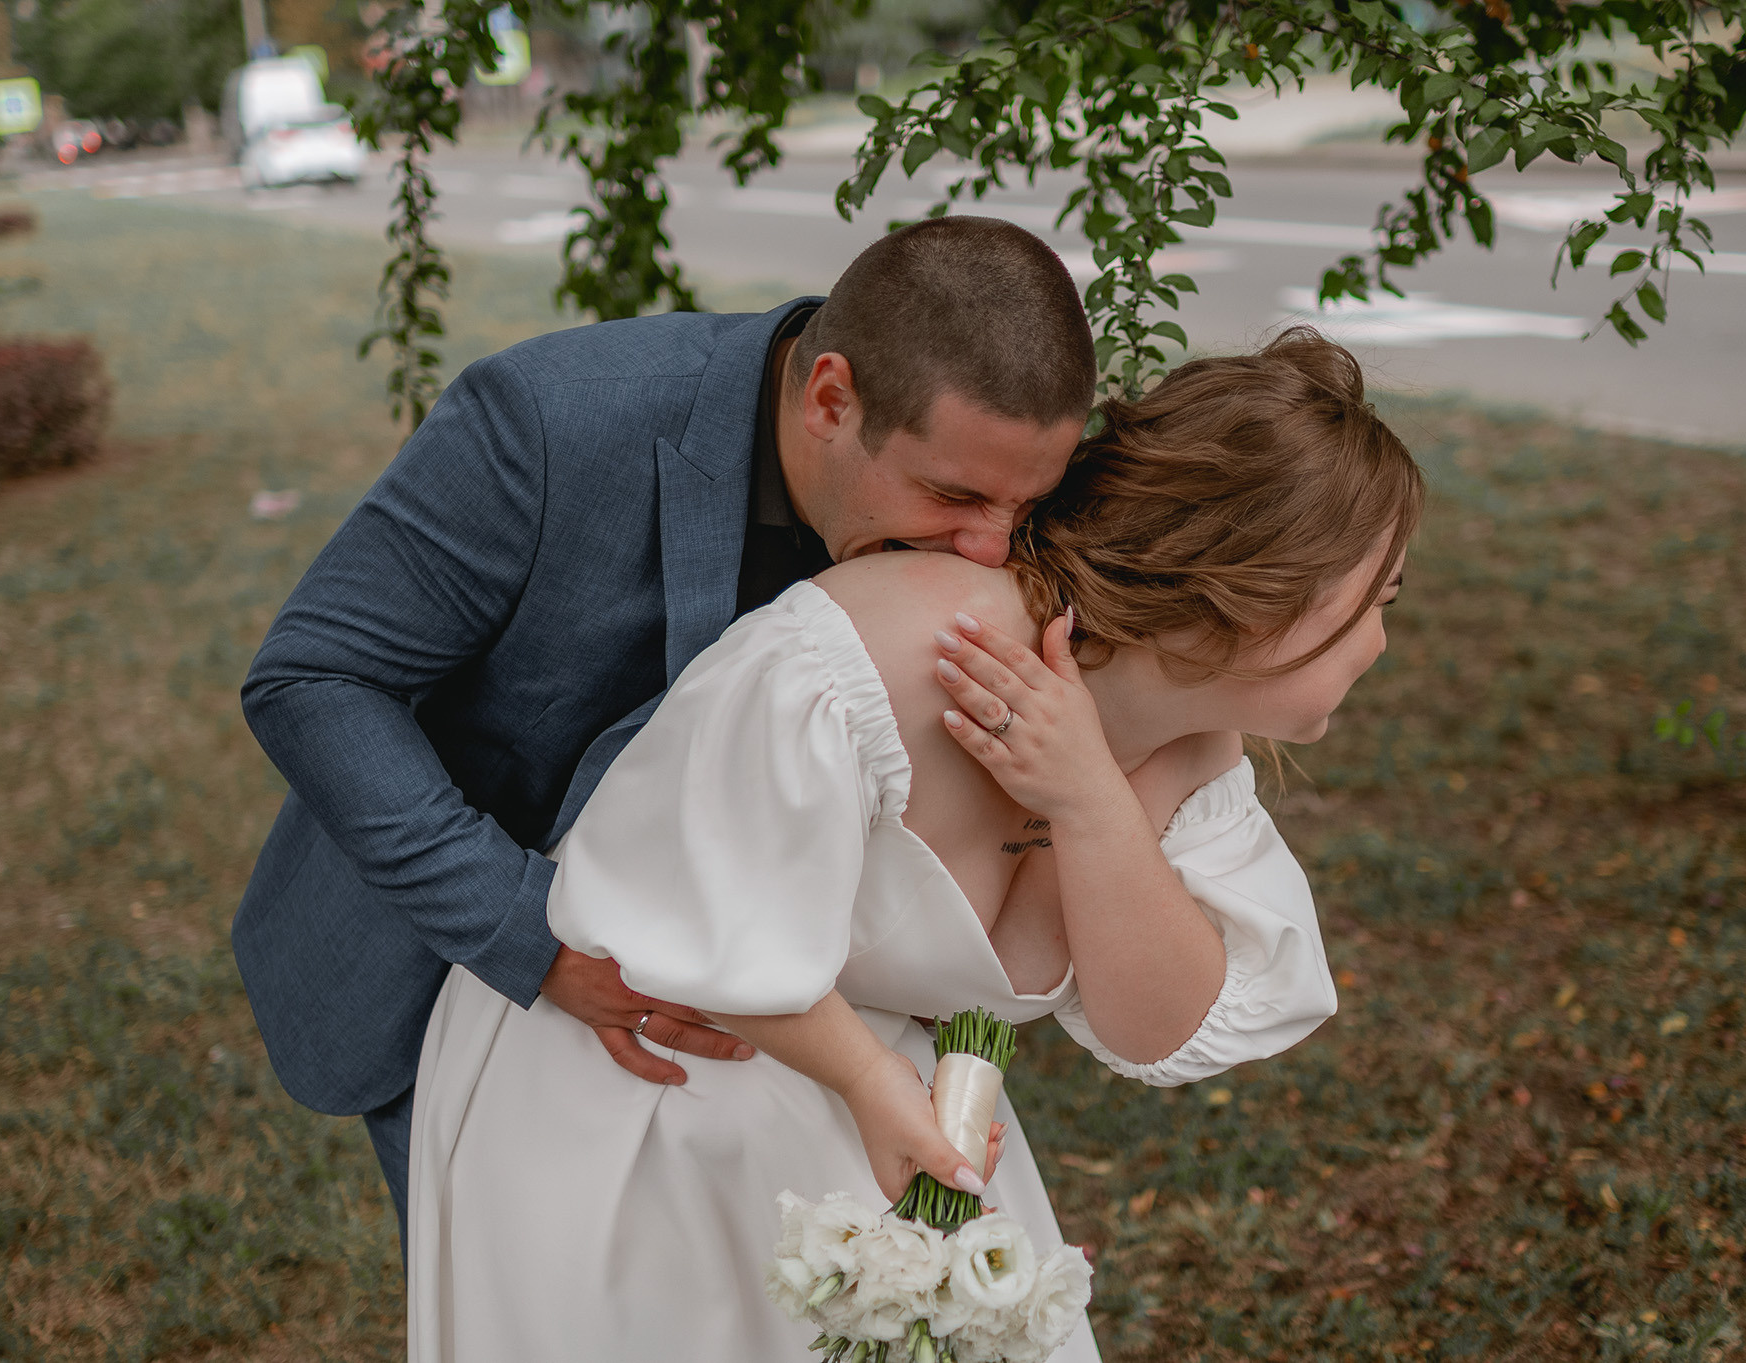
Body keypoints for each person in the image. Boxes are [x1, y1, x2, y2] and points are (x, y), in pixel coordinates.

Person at [407, 329, 1425, 1361]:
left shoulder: (1192, 747)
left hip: (888, 1119)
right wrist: (862, 1081)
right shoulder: (877, 652)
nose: (1383, 641)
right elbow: (664, 916)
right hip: (644, 1082)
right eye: (1370, 603)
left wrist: (1084, 801)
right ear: (1245, 597)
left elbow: (1158, 1028)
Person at [233, 216, 1098, 1239]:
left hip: (776, 1045)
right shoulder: (547, 422)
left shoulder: (980, 494)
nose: (990, 548)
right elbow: (314, 677)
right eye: (952, 495)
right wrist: (535, 936)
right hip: (471, 980)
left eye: (1022, 504)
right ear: (829, 397)